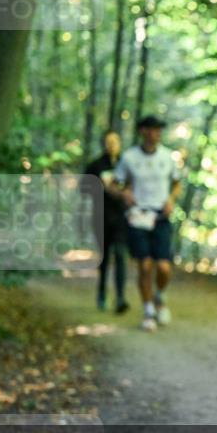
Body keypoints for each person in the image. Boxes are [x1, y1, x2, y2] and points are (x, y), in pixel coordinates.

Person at [112, 115, 182, 332]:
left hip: (160, 217)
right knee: (145, 265)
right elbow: (114, 183)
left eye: (159, 130)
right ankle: (148, 309)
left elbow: (177, 183)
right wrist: (124, 193)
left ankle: (160, 295)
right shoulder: (129, 157)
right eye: (152, 129)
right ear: (143, 131)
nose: (156, 133)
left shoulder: (167, 157)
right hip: (138, 216)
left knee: (163, 266)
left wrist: (171, 199)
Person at [82, 130, 130, 314]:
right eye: (108, 142)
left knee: (120, 254)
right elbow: (83, 190)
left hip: (121, 218)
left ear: (119, 143)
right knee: (104, 257)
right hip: (100, 217)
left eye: (115, 141)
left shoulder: (126, 166)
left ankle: (120, 298)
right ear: (104, 143)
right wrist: (101, 188)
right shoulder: (95, 166)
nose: (112, 145)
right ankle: (101, 294)